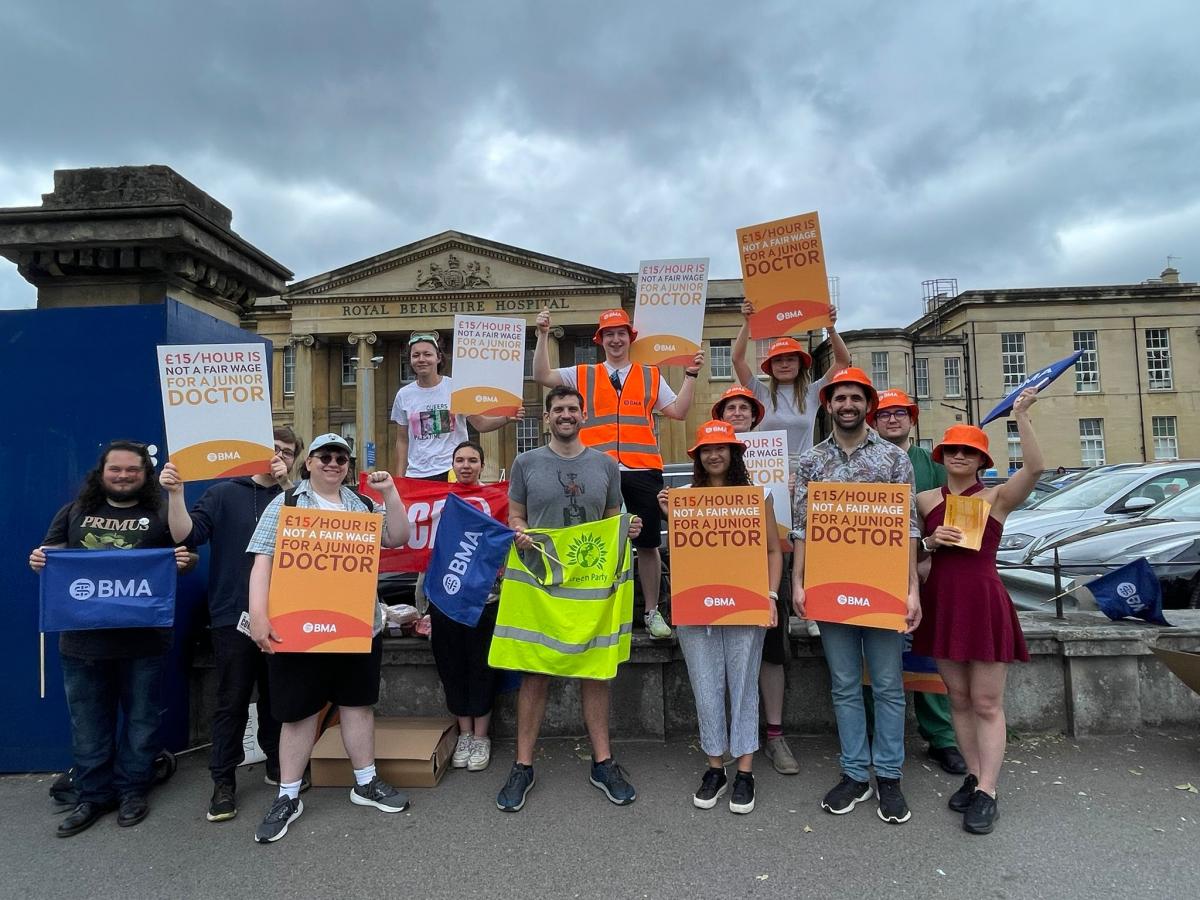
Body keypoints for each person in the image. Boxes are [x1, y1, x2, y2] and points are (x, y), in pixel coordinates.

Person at [245, 433, 411, 843]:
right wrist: (260, 617)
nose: (333, 463)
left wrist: (389, 493)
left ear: (348, 466)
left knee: (357, 705)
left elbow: (398, 537)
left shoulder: (362, 505)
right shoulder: (286, 504)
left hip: (355, 626)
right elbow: (262, 561)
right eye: (325, 456)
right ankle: (287, 794)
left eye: (341, 458)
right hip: (298, 628)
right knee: (299, 713)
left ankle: (365, 782)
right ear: (310, 463)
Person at [29, 441, 193, 837]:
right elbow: (53, 560)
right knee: (88, 724)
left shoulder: (159, 513)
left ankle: (133, 789)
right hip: (82, 644)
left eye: (132, 470)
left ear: (144, 474)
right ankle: (93, 795)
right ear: (101, 472)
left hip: (144, 643)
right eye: (115, 469)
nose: (123, 476)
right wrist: (40, 562)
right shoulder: (75, 513)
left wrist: (185, 562)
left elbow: (185, 555)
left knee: (141, 721)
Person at [495, 386, 643, 812]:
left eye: (572, 409)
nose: (565, 415)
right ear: (546, 418)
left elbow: (614, 515)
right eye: (557, 409)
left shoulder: (606, 464)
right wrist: (519, 530)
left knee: (595, 672)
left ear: (583, 416)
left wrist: (626, 527)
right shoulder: (525, 463)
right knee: (535, 673)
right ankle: (523, 765)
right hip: (542, 583)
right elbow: (516, 513)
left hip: (590, 586)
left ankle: (603, 762)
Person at [790, 368, 922, 825]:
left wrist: (912, 589)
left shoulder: (893, 459)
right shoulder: (809, 462)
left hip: (883, 588)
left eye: (855, 398)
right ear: (828, 404)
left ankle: (888, 776)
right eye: (839, 398)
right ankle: (854, 774)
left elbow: (907, 528)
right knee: (844, 685)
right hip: (830, 589)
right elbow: (803, 529)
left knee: (887, 686)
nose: (847, 405)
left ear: (869, 405)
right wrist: (797, 582)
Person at [913, 390, 1042, 835]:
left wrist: (1020, 416)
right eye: (954, 449)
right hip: (943, 603)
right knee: (959, 700)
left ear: (981, 460)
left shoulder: (997, 499)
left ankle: (988, 789)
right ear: (943, 455)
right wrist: (930, 543)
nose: (960, 456)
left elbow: (1036, 468)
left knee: (987, 702)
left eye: (969, 451)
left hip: (983, 601)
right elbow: (910, 554)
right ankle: (973, 774)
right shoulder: (925, 501)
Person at [159, 426, 302, 824]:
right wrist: (175, 494)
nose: (280, 457)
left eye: (288, 452)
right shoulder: (223, 492)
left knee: (280, 698)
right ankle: (223, 781)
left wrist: (290, 485)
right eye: (273, 449)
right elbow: (187, 534)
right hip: (231, 615)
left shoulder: (298, 495)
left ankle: (277, 764)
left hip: (286, 615)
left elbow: (312, 534)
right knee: (231, 700)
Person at [532, 308, 700, 639]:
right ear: (600, 340)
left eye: (621, 333)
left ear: (630, 338)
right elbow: (542, 375)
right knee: (592, 542)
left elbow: (678, 411)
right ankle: (593, 609)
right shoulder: (583, 373)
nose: (615, 339)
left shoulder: (650, 375)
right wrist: (542, 335)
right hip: (595, 469)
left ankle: (651, 612)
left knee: (648, 543)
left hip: (643, 468)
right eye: (608, 334)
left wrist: (692, 375)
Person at [657, 420, 781, 814]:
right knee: (705, 685)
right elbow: (682, 557)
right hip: (698, 607)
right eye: (706, 450)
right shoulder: (683, 498)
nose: (714, 455)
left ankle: (744, 770)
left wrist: (773, 595)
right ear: (697, 457)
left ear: (734, 454)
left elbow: (773, 552)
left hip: (746, 603)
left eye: (722, 448)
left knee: (744, 684)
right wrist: (669, 518)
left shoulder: (755, 499)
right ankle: (715, 766)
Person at [865, 390, 967, 776]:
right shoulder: (866, 462)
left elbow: (954, 514)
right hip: (874, 576)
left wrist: (929, 557)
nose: (892, 420)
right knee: (872, 663)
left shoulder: (934, 464)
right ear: (874, 421)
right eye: (885, 414)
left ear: (913, 419)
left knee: (927, 658)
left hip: (925, 576)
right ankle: (877, 738)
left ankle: (940, 737)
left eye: (899, 414)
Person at [710, 385, 799, 776]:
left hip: (767, 566)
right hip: (720, 573)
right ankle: (728, 736)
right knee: (724, 655)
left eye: (744, 407)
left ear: (754, 414)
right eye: (730, 407)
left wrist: (793, 492)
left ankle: (774, 734)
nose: (738, 413)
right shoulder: (708, 453)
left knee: (770, 653)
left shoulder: (774, 452)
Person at [432, 440, 500, 773]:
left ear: (482, 464)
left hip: (485, 599)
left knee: (482, 666)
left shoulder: (497, 498)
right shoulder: (437, 501)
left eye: (473, 460)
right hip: (445, 600)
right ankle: (465, 734)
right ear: (452, 464)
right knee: (452, 667)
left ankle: (482, 737)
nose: (466, 465)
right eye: (459, 460)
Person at [731, 301, 850, 465]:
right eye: (778, 360)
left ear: (800, 363)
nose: (784, 364)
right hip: (770, 472)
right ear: (770, 366)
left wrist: (830, 329)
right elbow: (737, 360)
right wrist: (747, 322)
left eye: (790, 359)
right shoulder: (760, 393)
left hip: (805, 471)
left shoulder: (814, 393)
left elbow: (843, 362)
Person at [391, 331, 522, 480]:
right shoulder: (404, 395)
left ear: (438, 358)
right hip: (417, 475)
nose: (421, 359)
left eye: (427, 354)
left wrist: (506, 418)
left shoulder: (455, 387)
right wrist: (400, 479)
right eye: (416, 355)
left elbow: (481, 424)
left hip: (452, 472)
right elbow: (402, 441)